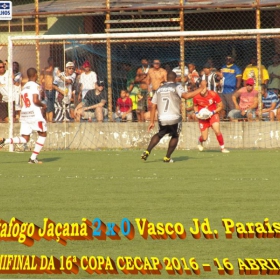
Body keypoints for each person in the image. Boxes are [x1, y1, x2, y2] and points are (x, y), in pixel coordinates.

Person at [140, 71, 206, 163]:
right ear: (175, 79)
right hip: (174, 117)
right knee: (175, 135)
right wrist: (201, 89)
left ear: (167, 79)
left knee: (160, 134)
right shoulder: (176, 86)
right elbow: (186, 96)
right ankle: (167, 157)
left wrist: (151, 122)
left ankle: (147, 150)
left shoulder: (159, 89)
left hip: (162, 117)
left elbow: (153, 105)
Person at [0, 68, 47, 164]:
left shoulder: (24, 87)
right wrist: (43, 105)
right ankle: (33, 158)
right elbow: (35, 100)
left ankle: (4, 141)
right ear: (35, 75)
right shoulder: (35, 86)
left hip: (25, 114)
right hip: (34, 114)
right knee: (43, 134)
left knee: (25, 138)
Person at [194, 81, 230, 153]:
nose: (202, 90)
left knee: (217, 130)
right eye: (201, 88)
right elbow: (195, 106)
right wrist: (197, 113)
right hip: (203, 118)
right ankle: (199, 141)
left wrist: (213, 112)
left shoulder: (213, 94)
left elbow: (220, 106)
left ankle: (222, 148)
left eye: (204, 88)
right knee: (204, 138)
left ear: (206, 88)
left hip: (213, 114)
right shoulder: (196, 96)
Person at [220, 55, 242, 119]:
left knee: (231, 107)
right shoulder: (223, 67)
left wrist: (236, 89)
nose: (228, 60)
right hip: (223, 90)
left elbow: (239, 79)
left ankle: (232, 120)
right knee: (222, 107)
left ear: (232, 59)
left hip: (231, 90)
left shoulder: (236, 68)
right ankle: (222, 120)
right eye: (227, 58)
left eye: (229, 59)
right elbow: (220, 77)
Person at [40, 57, 56, 122]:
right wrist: (42, 88)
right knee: (47, 105)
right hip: (46, 89)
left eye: (52, 61)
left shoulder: (56, 70)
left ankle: (50, 119)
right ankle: (48, 120)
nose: (51, 63)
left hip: (53, 89)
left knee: (51, 105)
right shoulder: (44, 70)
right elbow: (41, 80)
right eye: (50, 61)